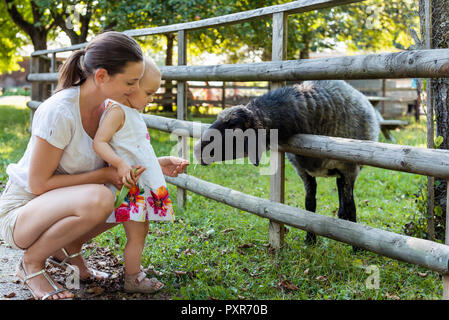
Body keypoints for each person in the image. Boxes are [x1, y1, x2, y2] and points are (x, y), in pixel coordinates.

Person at [0, 31, 188, 300]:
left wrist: (157, 164)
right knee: (101, 195)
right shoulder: (60, 111)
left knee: (127, 197)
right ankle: (31, 264)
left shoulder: (110, 110)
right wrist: (104, 174)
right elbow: (38, 184)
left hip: (55, 206)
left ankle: (69, 252)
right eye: (131, 82)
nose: (136, 90)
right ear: (101, 76)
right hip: (21, 214)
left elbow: (115, 164)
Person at [93, 57, 189, 293]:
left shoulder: (130, 112)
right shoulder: (116, 111)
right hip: (131, 188)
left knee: (141, 232)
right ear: (131, 86)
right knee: (137, 236)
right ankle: (133, 278)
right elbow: (100, 142)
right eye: (148, 92)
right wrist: (119, 164)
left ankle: (133, 272)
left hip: (139, 185)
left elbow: (136, 149)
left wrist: (160, 163)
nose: (151, 98)